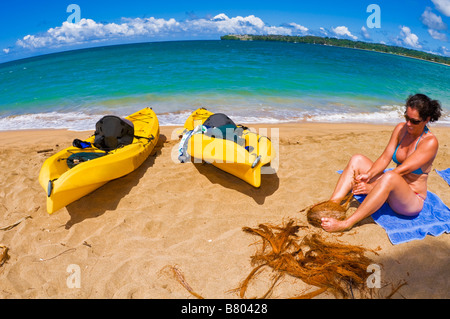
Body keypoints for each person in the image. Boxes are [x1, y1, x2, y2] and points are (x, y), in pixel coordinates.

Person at [321, 94, 442, 232]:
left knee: (390, 176)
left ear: (426, 120)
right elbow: (385, 158)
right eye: (406, 118)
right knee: (357, 159)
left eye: (414, 121)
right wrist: (369, 174)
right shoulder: (401, 129)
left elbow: (401, 171)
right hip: (390, 185)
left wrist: (372, 187)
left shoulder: (430, 142)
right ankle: (333, 203)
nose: (408, 124)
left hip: (410, 199)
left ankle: (347, 223)